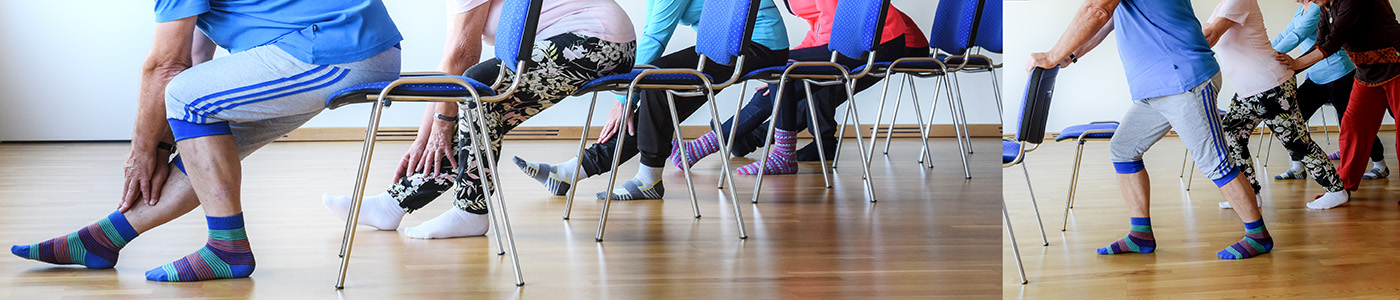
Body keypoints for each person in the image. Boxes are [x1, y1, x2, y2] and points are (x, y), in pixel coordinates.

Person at [10, 0, 403, 281]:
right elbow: (197, 56)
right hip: (347, 46)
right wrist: (165, 143)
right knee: (205, 124)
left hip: (332, 50)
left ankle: (227, 249)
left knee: (185, 95)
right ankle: (103, 239)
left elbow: (167, 66)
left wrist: (143, 151)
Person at [321, 0, 637, 239]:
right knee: (473, 100)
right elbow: (450, 68)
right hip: (587, 42)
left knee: (478, 91)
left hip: (596, 42)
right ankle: (394, 204)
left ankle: (469, 211)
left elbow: (463, 56)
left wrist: (441, 126)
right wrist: (424, 137)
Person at [1028, 0, 1271, 260]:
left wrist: (1052, 55)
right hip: (1155, 86)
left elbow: (1096, 11)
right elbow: (1109, 17)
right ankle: (1140, 235)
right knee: (1123, 149)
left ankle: (1258, 236)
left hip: (1182, 81)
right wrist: (1071, 54)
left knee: (1215, 162)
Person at [511, 0, 792, 200]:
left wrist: (624, 97)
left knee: (657, 81)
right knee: (657, 90)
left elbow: (657, 38)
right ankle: (574, 171)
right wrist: (630, 94)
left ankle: (642, 179)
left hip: (757, 45)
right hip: (728, 46)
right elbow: (649, 31)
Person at [1205, 0, 1349, 209]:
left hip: (1269, 86)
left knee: (1296, 141)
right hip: (1248, 90)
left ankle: (1336, 190)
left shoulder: (1238, 1)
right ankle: (1249, 194)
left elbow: (1209, 36)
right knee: (1231, 134)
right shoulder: (1222, 5)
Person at [1277, 0, 1400, 197]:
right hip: (1367, 72)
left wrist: (1295, 64)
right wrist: (1290, 66)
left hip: (1394, 66)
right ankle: (1341, 188)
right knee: (1352, 126)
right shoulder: (1325, 6)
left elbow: (1333, 41)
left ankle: (1377, 166)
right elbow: (1320, 42)